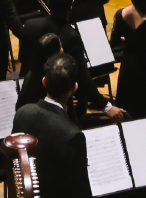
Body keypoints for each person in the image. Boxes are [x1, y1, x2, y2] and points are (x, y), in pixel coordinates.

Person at [9, 53, 92, 198]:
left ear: (44, 82)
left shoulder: (23, 112)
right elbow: (80, 191)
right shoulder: (73, 136)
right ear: (75, 88)